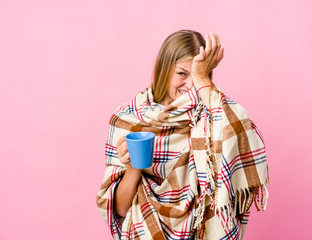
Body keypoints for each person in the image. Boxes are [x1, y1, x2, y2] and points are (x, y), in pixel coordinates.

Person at [96, 30, 269, 240]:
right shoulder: (128, 119)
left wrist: (203, 79)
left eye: (196, 75)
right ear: (164, 70)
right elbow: (120, 210)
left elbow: (241, 129)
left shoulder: (211, 116)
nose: (190, 85)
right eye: (182, 73)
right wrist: (133, 167)